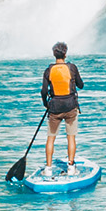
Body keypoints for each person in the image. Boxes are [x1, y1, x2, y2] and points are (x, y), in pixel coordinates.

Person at [39, 41, 84, 172]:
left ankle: (48, 168)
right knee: (71, 137)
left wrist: (46, 104)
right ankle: (71, 166)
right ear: (65, 53)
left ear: (54, 54)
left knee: (51, 138)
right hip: (70, 107)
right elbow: (81, 85)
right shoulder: (72, 68)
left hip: (54, 108)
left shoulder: (48, 70)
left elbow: (43, 91)